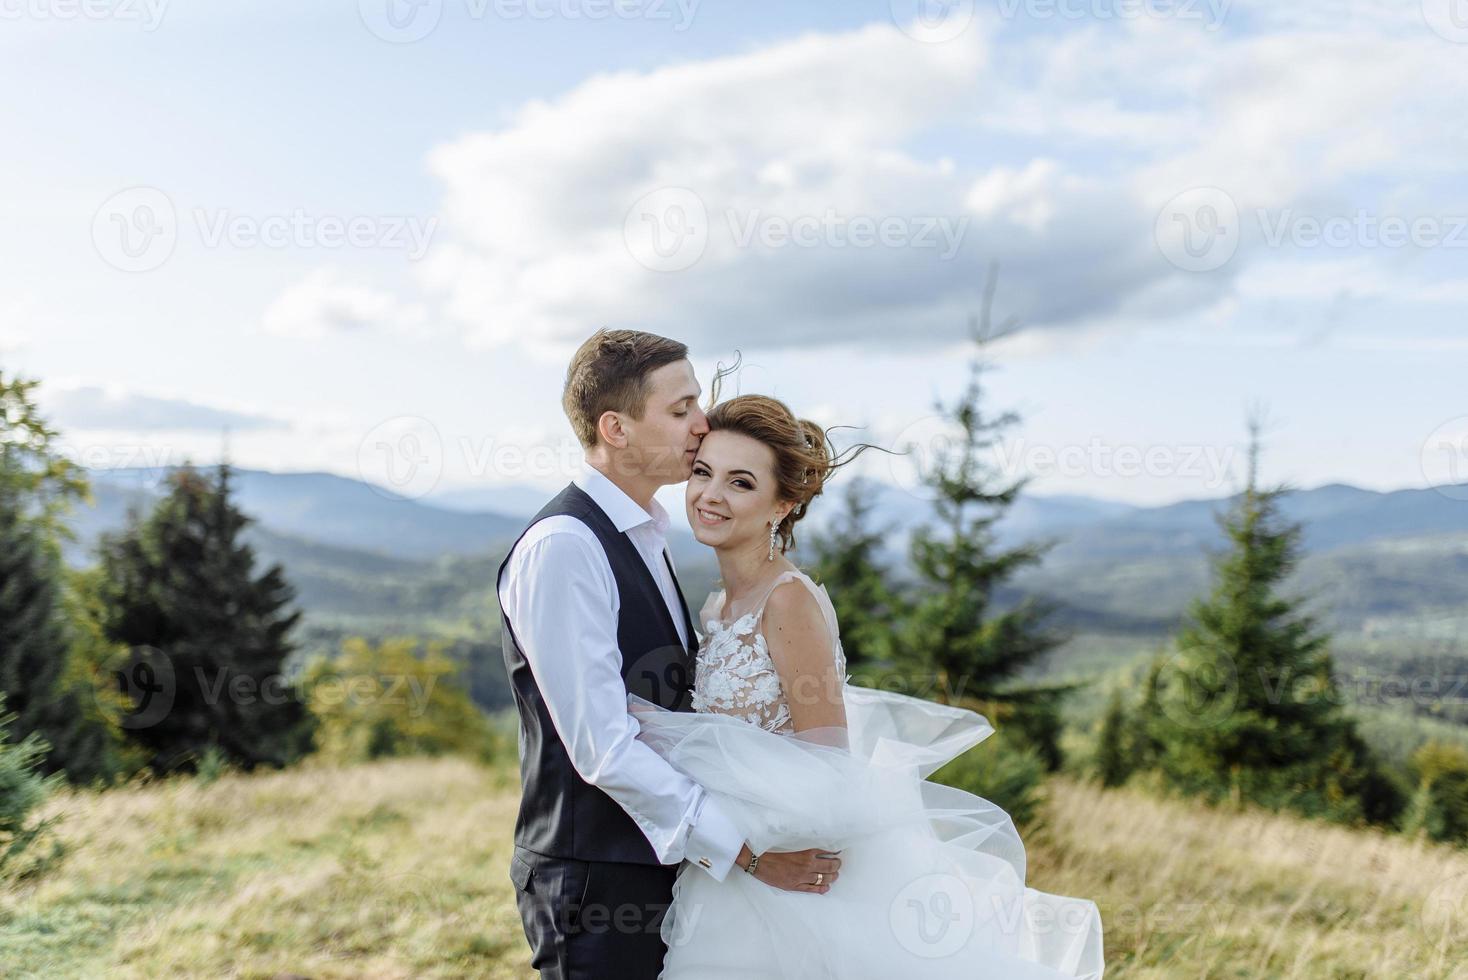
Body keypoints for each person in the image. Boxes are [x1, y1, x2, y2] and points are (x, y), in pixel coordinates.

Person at [628, 391, 1107, 979]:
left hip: (787, 873)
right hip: (732, 870)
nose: (711, 495)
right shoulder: (719, 605)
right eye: (703, 473)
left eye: (741, 483)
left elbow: (829, 761)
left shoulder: (788, 601)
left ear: (781, 505)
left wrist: (763, 856)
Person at [497, 330, 840, 980]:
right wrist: (747, 852)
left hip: (667, 872)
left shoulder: (647, 535)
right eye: (681, 408)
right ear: (616, 428)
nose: (701, 423)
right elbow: (604, 747)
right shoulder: (565, 547)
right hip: (596, 884)